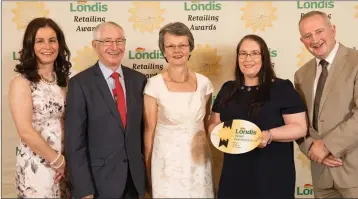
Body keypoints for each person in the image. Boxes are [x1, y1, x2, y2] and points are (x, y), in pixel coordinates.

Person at [208, 34, 307, 199]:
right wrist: (218, 133)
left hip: (272, 176)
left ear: (264, 57)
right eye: (243, 53)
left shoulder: (282, 88)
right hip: (234, 176)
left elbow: (299, 127)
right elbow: (214, 123)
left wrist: (268, 135)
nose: (248, 58)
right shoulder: (228, 89)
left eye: (254, 53)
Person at [64, 22, 147, 198]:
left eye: (119, 41)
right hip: (99, 184)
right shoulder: (80, 84)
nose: (115, 47)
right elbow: (74, 143)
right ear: (95, 45)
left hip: (135, 182)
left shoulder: (139, 80)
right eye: (107, 41)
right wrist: (84, 189)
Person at [143, 22, 214, 198]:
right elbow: (149, 131)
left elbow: (207, 126)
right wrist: (148, 171)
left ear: (190, 48)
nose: (177, 50)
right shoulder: (154, 85)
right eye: (171, 46)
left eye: (182, 45)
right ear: (163, 50)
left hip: (199, 162)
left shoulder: (204, 84)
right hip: (166, 165)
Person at [295, 11, 358, 198]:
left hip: (353, 171)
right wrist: (311, 148)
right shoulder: (301, 75)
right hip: (321, 174)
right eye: (307, 36)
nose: (315, 39)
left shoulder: (356, 61)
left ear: (333, 30)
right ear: (302, 41)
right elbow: (299, 122)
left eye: (319, 31)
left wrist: (328, 146)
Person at [9, 17, 71, 198]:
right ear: (31, 45)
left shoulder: (65, 81)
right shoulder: (21, 82)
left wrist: (67, 162)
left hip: (66, 166)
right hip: (37, 165)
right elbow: (25, 130)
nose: (48, 46)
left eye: (52, 40)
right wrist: (57, 161)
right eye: (40, 41)